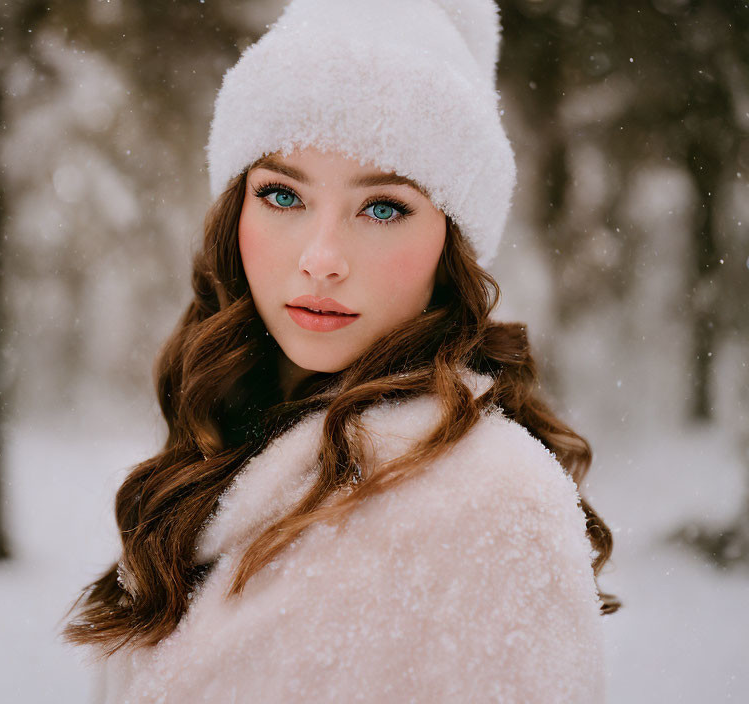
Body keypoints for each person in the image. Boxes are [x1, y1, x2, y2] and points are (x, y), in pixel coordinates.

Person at [65, 0, 619, 701]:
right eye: (282, 195)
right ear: (235, 209)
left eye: (382, 207)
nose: (321, 259)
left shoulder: (493, 504)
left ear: (452, 244)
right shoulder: (219, 449)